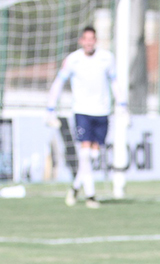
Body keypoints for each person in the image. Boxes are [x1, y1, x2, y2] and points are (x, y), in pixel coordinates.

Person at [47, 26, 126, 209]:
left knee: (93, 155)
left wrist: (122, 105)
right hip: (82, 111)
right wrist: (50, 109)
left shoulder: (107, 58)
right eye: (86, 39)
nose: (89, 42)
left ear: (95, 41)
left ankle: (75, 188)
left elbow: (114, 82)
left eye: (92, 39)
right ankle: (90, 195)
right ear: (81, 41)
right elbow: (58, 83)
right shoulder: (73, 60)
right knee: (84, 152)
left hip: (102, 112)